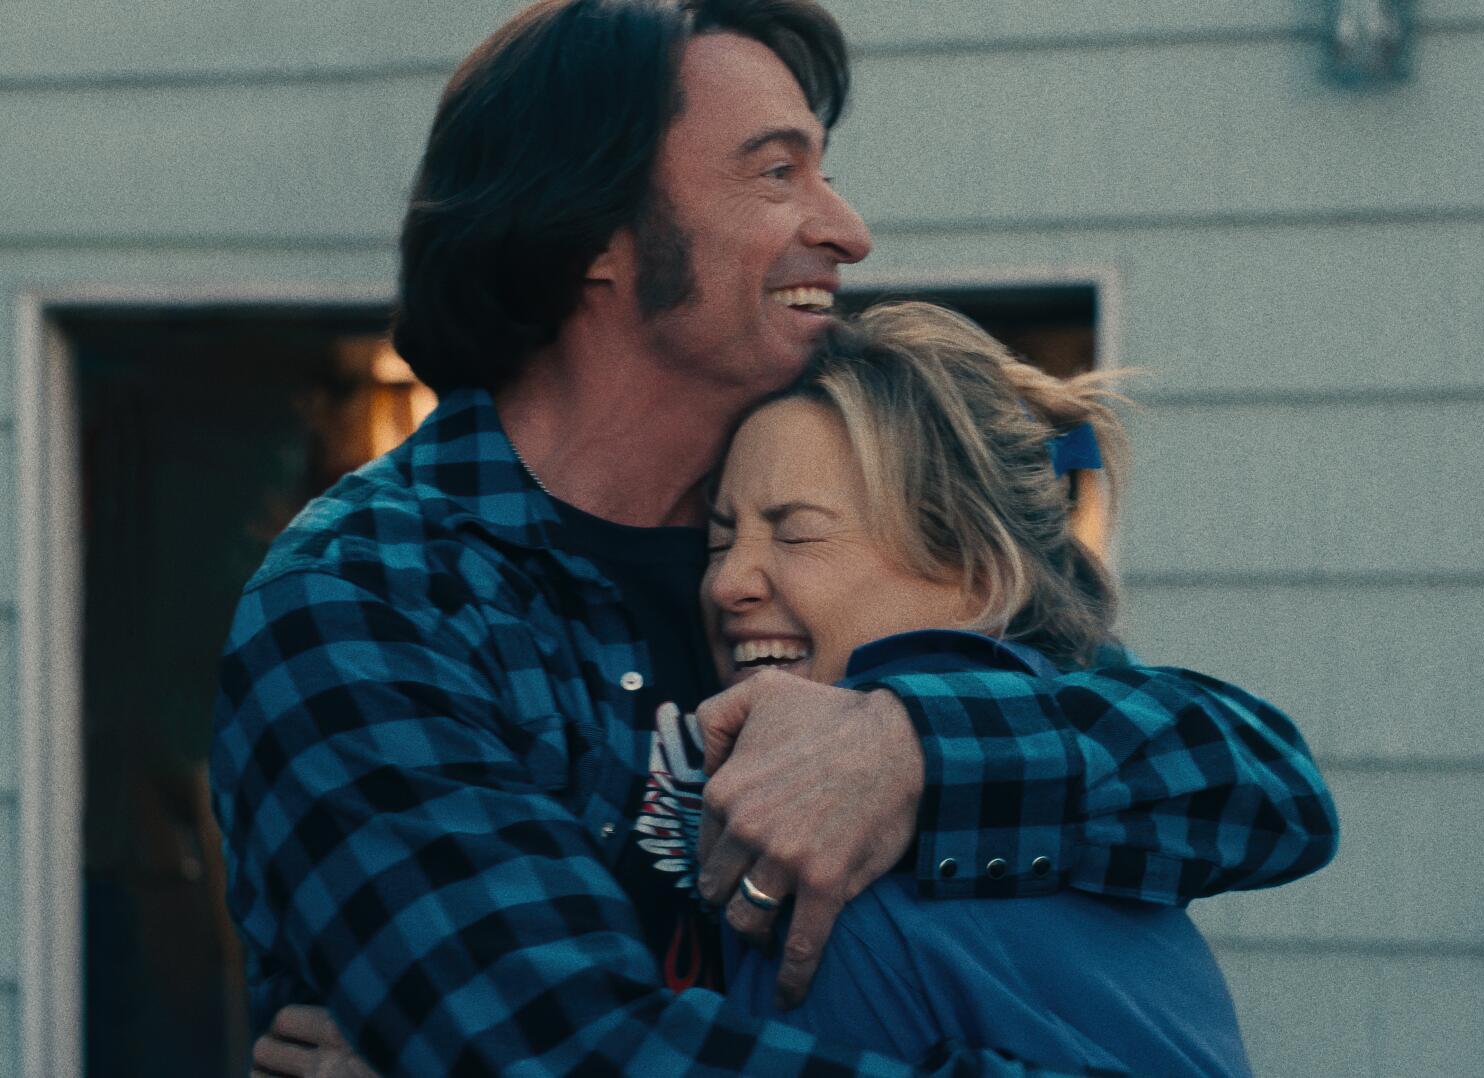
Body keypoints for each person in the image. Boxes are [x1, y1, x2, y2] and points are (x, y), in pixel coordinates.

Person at [214, 1, 1337, 1075]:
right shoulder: (371, 600)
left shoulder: (828, 529)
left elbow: (1260, 786)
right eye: (775, 172)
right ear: (591, 237)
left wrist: (911, 747)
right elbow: (565, 1053)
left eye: (823, 171)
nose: (844, 230)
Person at [684, 301, 1256, 1073]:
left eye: (796, 532)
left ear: (977, 572)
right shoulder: (1090, 790)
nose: (729, 582)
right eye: (720, 537)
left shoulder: (834, 869)